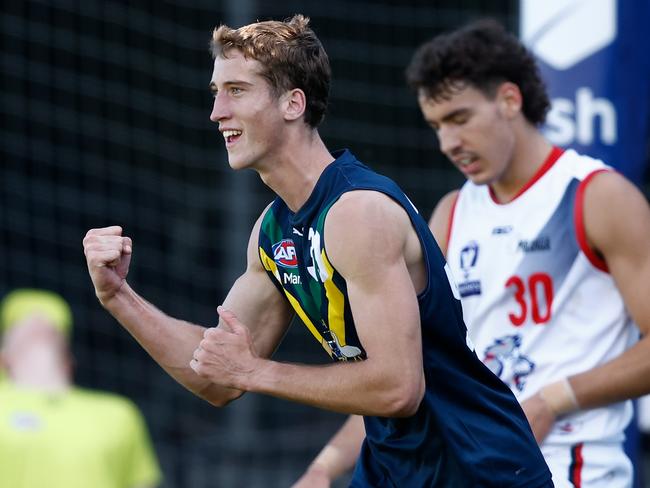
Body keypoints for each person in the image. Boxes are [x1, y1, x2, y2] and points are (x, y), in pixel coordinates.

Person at [82, 15, 552, 487]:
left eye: (237, 91)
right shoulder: (272, 231)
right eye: (215, 92)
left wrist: (255, 371)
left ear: (293, 103)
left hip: (478, 469)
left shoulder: (357, 211)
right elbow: (217, 377)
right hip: (394, 468)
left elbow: (398, 388)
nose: (217, 112)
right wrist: (118, 297)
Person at [295, 19, 650, 488]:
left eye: (459, 118)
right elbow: (407, 370)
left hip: (573, 470)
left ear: (509, 99)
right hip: (470, 469)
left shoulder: (595, 196)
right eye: (437, 125)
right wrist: (323, 468)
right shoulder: (450, 214)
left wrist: (554, 399)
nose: (448, 143)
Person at [0, 288, 162, 488]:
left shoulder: (117, 413)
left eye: (52, 322)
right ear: (3, 357)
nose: (37, 317)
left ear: (69, 359)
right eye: (21, 320)